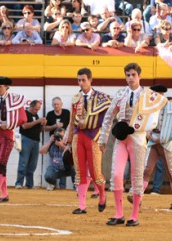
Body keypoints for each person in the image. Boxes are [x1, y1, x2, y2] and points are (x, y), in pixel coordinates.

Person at [99, 63, 167, 226]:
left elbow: (153, 121)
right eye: (128, 75)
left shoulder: (148, 96)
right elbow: (109, 117)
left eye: (133, 75)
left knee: (136, 177)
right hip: (122, 139)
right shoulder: (121, 93)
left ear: (139, 76)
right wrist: (103, 138)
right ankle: (119, 213)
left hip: (137, 138)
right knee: (116, 175)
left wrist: (135, 127)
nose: (130, 78)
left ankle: (134, 215)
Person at [66, 67, 111, 214]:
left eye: (83, 80)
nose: (81, 83)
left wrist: (103, 139)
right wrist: (68, 140)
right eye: (79, 80)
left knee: (95, 172)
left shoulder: (102, 98)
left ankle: (102, 195)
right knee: (79, 171)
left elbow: (105, 120)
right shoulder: (75, 99)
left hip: (93, 137)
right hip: (78, 137)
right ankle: (82, 205)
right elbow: (72, 122)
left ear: (90, 80)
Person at [139, 85, 172, 209]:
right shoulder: (150, 107)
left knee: (171, 171)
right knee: (147, 170)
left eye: (156, 94)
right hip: (153, 142)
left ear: (162, 95)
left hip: (166, 143)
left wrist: (162, 138)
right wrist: (149, 135)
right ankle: (139, 197)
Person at [15, 100, 46, 189]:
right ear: (31, 106)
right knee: (23, 162)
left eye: (38, 109)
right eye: (36, 109)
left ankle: (29, 184)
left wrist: (42, 124)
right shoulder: (24, 113)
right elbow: (24, 126)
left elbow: (38, 129)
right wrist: (38, 121)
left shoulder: (36, 115)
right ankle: (19, 183)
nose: (37, 111)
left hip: (36, 141)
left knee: (33, 164)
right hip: (26, 139)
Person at [45, 97, 70, 189]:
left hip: (65, 141)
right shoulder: (50, 114)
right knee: (53, 163)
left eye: (58, 104)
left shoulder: (67, 112)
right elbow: (45, 128)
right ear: (52, 105)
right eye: (54, 104)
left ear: (61, 104)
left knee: (64, 163)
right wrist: (55, 126)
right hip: (53, 142)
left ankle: (62, 186)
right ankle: (52, 183)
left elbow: (72, 125)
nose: (56, 106)